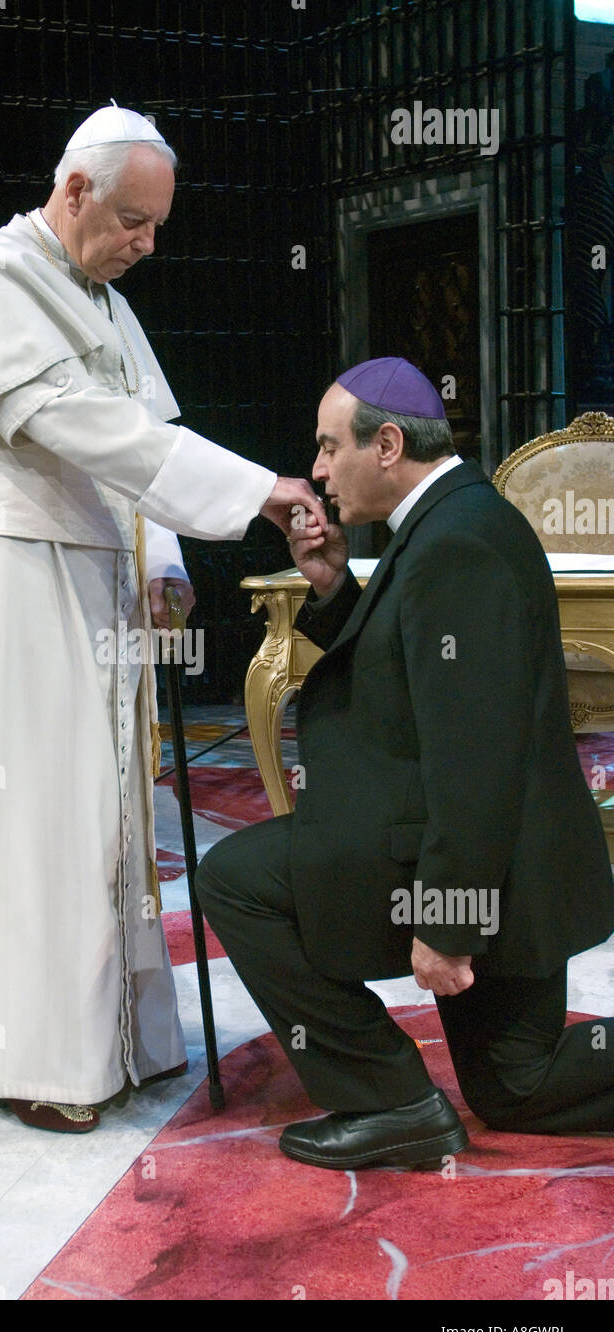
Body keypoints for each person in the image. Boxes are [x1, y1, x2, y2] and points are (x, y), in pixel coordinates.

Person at [0, 103, 326, 1132]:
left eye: (157, 225)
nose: (145, 244)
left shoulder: (100, 295)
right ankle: (40, 1060)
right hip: (14, 580)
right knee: (34, 812)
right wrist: (258, 489)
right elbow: (82, 427)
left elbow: (142, 433)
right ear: (74, 188)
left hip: (96, 582)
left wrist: (164, 557)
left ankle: (117, 1038)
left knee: (101, 808)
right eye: (132, 220)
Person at [196, 356, 614, 1169]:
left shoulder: (458, 543)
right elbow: (408, 673)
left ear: (387, 443)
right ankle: (403, 1103)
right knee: (516, 1087)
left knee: (235, 879)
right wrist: (328, 590)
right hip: (495, 864)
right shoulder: (450, 520)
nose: (315, 471)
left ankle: (390, 1101)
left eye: (327, 447)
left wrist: (448, 925)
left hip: (471, 869)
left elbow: (476, 758)